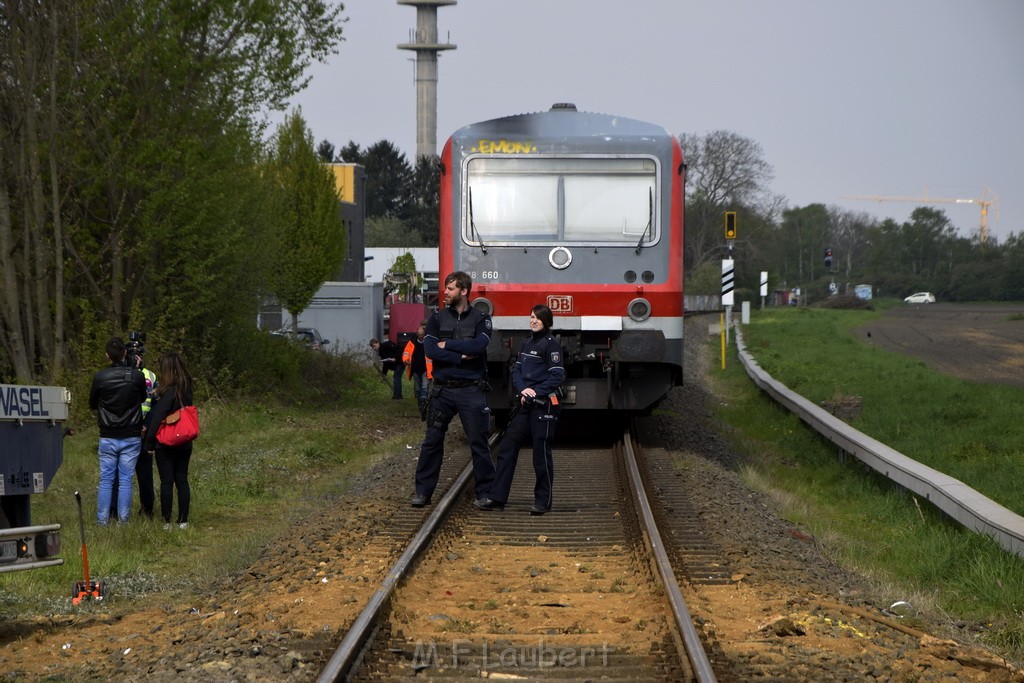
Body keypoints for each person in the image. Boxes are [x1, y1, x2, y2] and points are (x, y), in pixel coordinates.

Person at [411, 271, 495, 507]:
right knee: (432, 442)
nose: (445, 293)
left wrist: (447, 344)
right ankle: (422, 493)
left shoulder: (481, 318)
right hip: (443, 391)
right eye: (445, 289)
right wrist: (461, 356)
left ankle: (485, 493)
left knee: (479, 442)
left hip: (471, 390)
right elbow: (430, 349)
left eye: (450, 289)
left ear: (464, 291)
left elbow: (479, 346)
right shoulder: (437, 318)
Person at [476, 305, 565, 515]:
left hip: (544, 406)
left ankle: (543, 501)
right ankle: (497, 498)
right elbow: (516, 371)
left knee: (540, 454)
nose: (533, 321)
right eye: (531, 317)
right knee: (507, 448)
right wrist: (523, 389)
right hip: (526, 405)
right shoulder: (526, 343)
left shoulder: (551, 346)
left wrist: (535, 391)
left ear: (547, 321)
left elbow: (557, 376)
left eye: (538, 318)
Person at [89, 337, 148, 525]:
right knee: (125, 480)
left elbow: (92, 404)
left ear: (107, 356)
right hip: (131, 434)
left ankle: (102, 521)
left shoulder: (100, 377)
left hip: (107, 435)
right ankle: (124, 521)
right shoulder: (136, 376)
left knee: (106, 480)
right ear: (125, 353)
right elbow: (142, 398)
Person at [144, 352, 195, 529]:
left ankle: (167, 521)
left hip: (166, 442)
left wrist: (149, 442)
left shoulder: (168, 391)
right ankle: (183, 520)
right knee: (182, 479)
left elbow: (158, 416)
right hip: (185, 440)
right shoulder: (186, 387)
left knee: (167, 481)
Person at [110, 354, 157, 519]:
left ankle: (146, 509)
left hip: (138, 431)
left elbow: (155, 404)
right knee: (121, 474)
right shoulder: (120, 374)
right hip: (128, 430)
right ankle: (115, 510)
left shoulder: (150, 376)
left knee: (142, 474)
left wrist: (147, 425)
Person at [402, 323, 432, 414]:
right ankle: (421, 403)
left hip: (426, 370)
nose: (420, 336)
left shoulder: (429, 342)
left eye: (422, 335)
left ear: (424, 334)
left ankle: (423, 402)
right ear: (416, 334)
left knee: (424, 387)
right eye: (419, 335)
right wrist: (405, 360)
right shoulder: (411, 343)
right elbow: (406, 353)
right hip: (415, 369)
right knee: (417, 388)